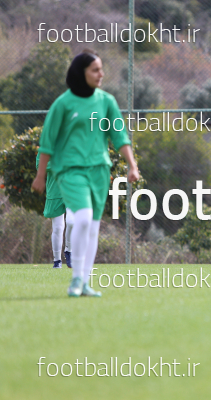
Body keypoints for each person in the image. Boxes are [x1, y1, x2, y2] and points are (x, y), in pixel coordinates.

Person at [32, 49, 139, 297]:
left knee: (92, 226)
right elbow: (47, 142)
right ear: (81, 73)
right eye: (95, 70)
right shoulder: (63, 104)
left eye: (101, 69)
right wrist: (40, 175)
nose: (101, 74)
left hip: (99, 171)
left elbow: (120, 136)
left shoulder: (106, 101)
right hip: (70, 171)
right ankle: (77, 278)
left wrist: (132, 165)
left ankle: (84, 282)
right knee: (81, 218)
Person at [36, 152, 73, 268]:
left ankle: (69, 250)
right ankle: (57, 261)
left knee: (72, 221)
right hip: (55, 191)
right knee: (58, 227)